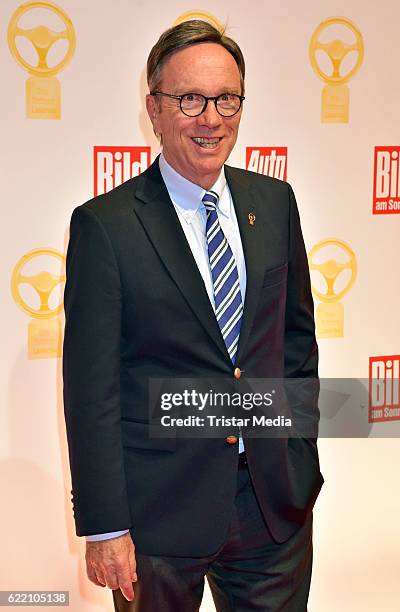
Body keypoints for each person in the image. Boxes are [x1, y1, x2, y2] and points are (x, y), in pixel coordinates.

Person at [63, 19, 324, 612]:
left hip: (270, 507)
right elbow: (91, 390)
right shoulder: (105, 226)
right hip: (154, 521)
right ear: (153, 109)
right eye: (190, 99)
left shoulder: (275, 203)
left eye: (226, 98)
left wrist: (299, 456)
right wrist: (106, 527)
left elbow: (296, 345)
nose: (211, 118)